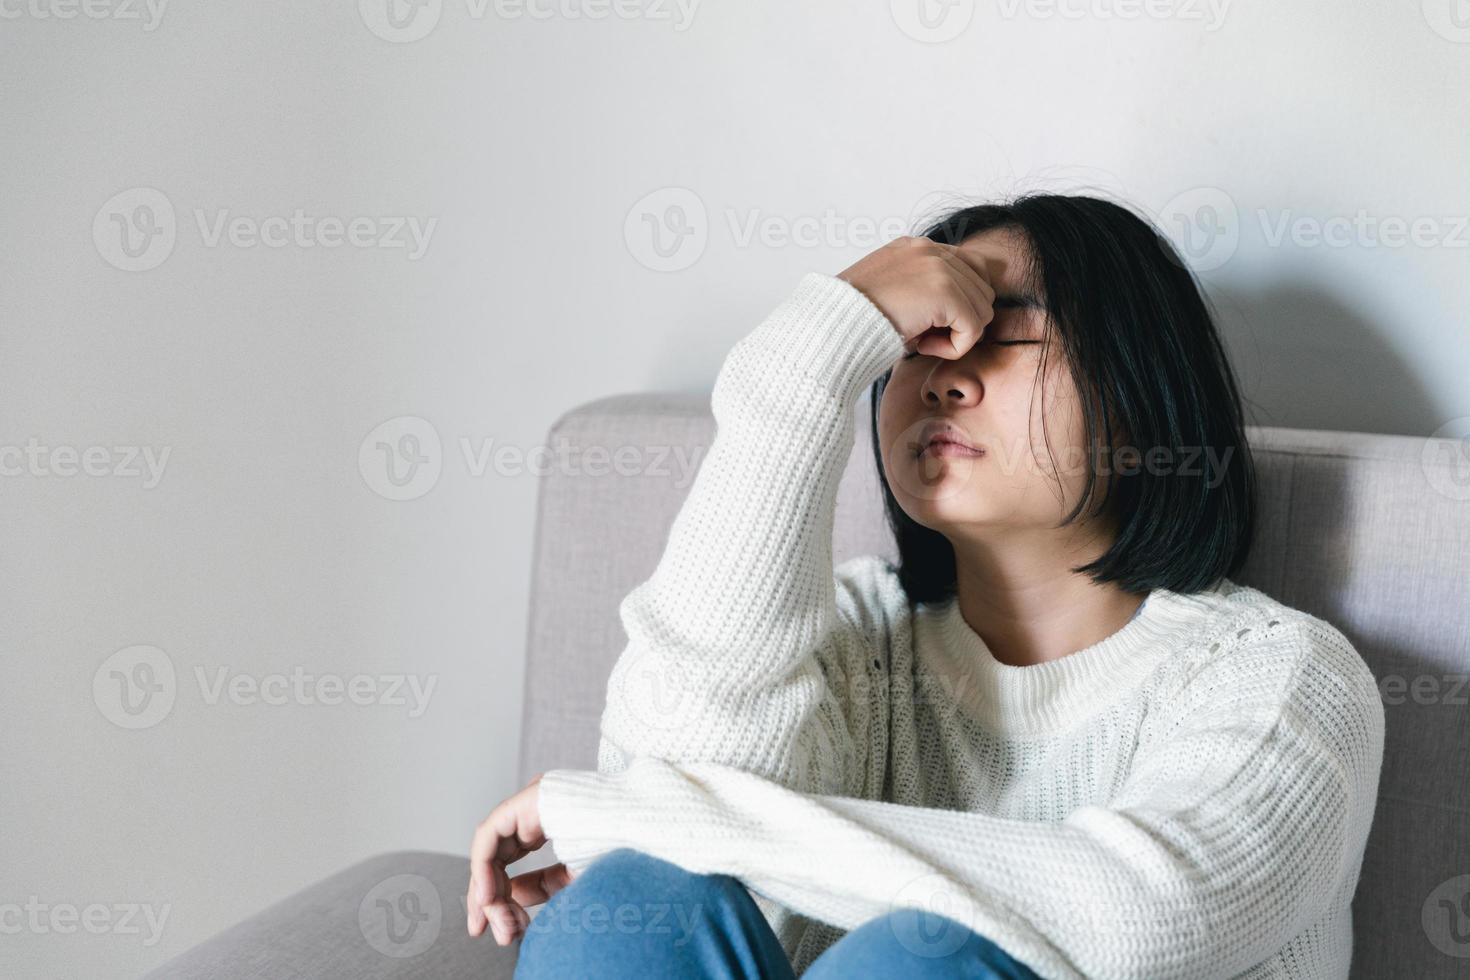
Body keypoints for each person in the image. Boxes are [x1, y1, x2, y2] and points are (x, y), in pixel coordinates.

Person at [466, 193, 1386, 979]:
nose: (945, 376)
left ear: (1141, 387)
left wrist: (661, 810)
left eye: (1002, 334)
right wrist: (800, 359)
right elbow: (659, 802)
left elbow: (1137, 914)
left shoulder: (1282, 677)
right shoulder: (851, 636)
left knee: (920, 958)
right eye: (915, 342)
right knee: (628, 902)